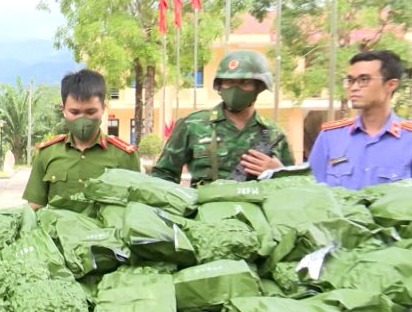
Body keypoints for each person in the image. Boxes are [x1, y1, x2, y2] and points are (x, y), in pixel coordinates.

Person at [152, 49, 294, 186]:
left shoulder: (274, 134)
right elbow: (163, 176)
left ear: (259, 87)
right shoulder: (192, 125)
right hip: (205, 208)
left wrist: (278, 173)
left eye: (244, 83)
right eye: (229, 82)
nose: (235, 89)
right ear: (220, 86)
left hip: (257, 208)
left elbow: (297, 189)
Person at [23, 69, 140, 209]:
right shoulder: (47, 153)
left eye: (91, 112)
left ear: (103, 108)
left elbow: (136, 209)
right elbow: (35, 207)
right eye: (75, 112)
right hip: (57, 230)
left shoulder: (125, 156)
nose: (83, 119)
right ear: (64, 110)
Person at [309, 50, 412, 190]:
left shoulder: (408, 139)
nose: (354, 87)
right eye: (350, 81)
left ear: (391, 85)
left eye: (364, 80)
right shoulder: (331, 137)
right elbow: (312, 190)